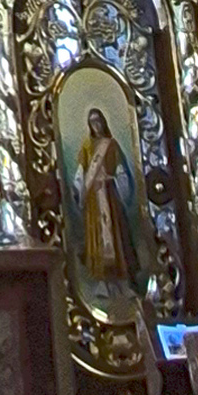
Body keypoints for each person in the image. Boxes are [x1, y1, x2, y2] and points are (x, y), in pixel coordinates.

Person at [76, 108, 142, 293]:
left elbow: (121, 170)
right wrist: (80, 188)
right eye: (92, 122)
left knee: (117, 235)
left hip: (110, 195)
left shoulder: (111, 145)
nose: (96, 125)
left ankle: (123, 281)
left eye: (98, 121)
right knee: (97, 236)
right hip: (94, 200)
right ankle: (102, 282)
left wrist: (116, 182)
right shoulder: (87, 146)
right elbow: (81, 173)